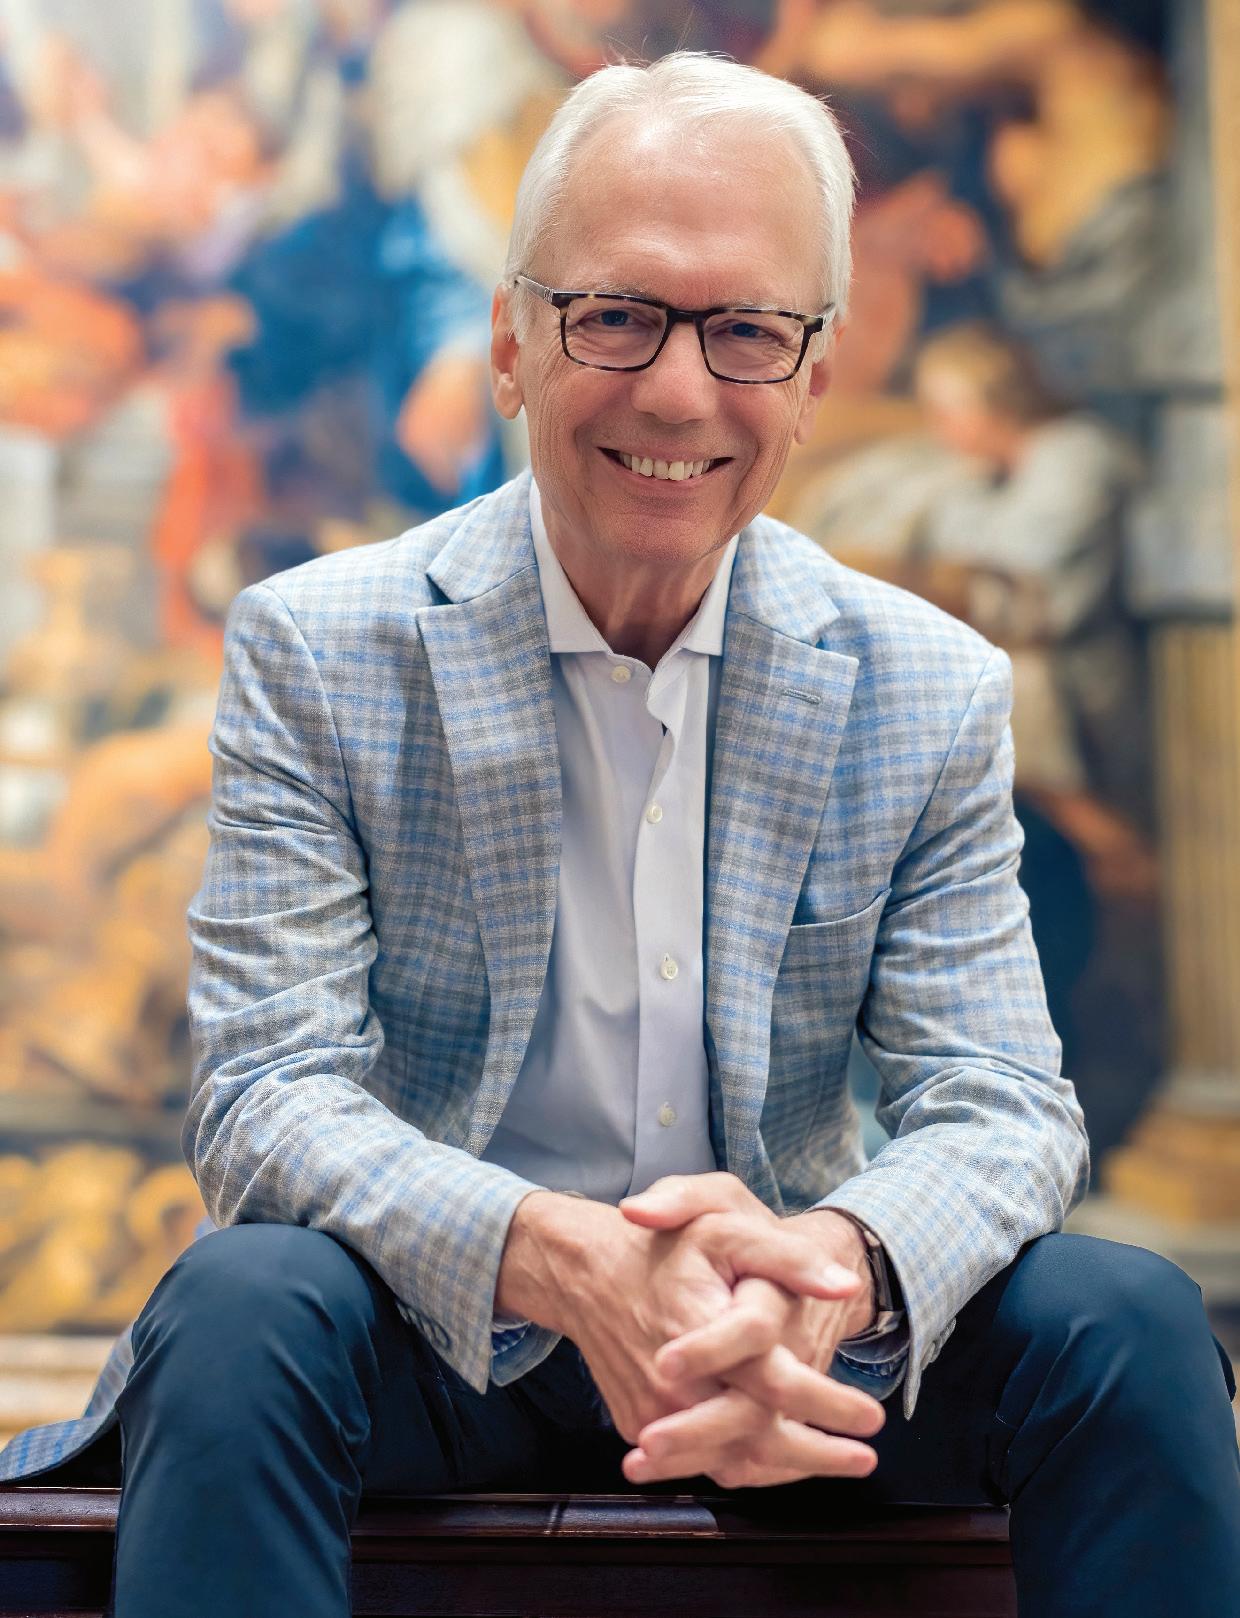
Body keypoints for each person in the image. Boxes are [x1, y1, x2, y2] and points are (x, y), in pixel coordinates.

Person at [0, 51, 1235, 1618]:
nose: (678, 390)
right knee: (244, 1297)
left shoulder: (927, 683)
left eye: (747, 330)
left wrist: (832, 1267)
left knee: (1126, 1317)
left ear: (813, 374)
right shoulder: (318, 646)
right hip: (441, 1340)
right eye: (617, 316)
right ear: (510, 343)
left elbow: (1001, 1104)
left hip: (788, 1344)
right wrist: (565, 1256)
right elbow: (267, 1094)